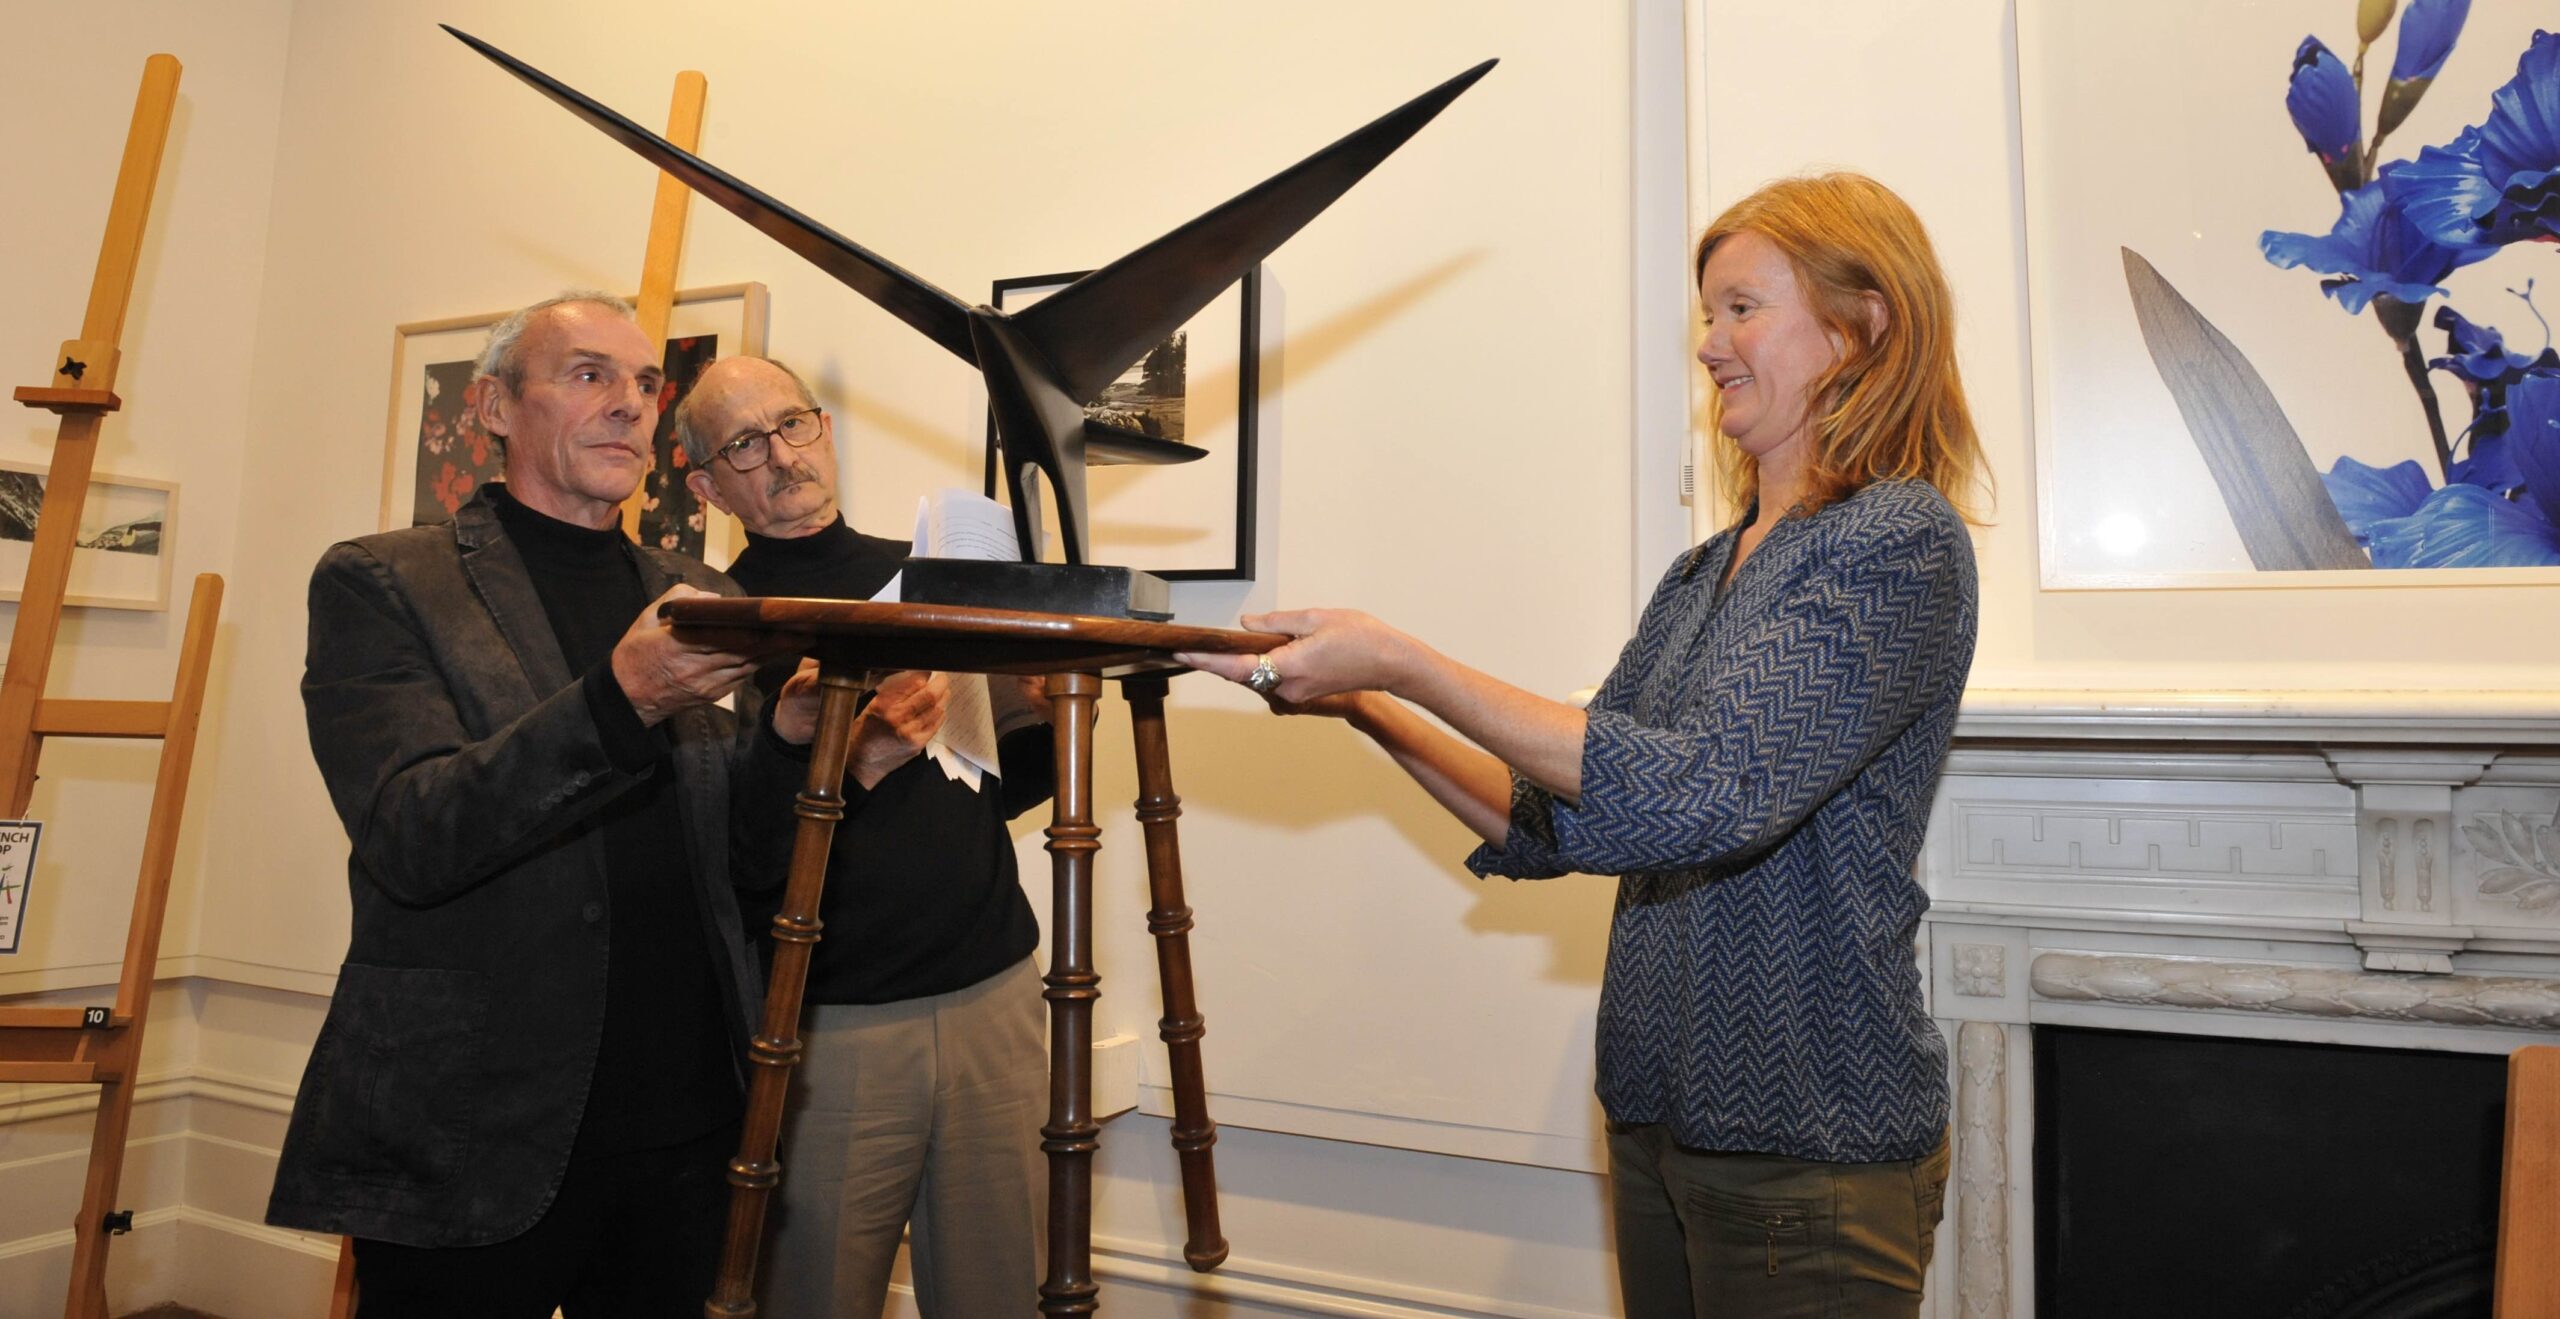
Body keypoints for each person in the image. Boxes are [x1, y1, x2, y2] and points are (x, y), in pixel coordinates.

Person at [1185, 172, 1985, 1318]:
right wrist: (1366, 704)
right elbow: (1548, 817)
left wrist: (1405, 660)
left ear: (1862, 324)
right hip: (1657, 1125)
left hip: (1805, 1147)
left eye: (1742, 308)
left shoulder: (1896, 539)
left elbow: (1706, 792)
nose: (1709, 344)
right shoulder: (1702, 572)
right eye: (1706, 314)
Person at [266, 292, 804, 1318]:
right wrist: (620, 700)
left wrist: (792, 743)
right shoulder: (385, 581)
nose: (630, 404)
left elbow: (740, 861)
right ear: (496, 407)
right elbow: (413, 834)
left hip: (687, 1121)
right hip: (473, 1126)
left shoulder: (699, 593)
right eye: (589, 374)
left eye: (645, 383)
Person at [674, 353, 1055, 1318]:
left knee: (1003, 1297)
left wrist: (1043, 706)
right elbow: (736, 861)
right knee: (817, 1297)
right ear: (707, 487)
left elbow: (1007, 792)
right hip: (831, 1027)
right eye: (744, 443)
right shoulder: (711, 628)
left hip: (995, 995)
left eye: (792, 423)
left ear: (826, 431)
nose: (781, 455)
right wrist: (850, 757)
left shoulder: (928, 571)